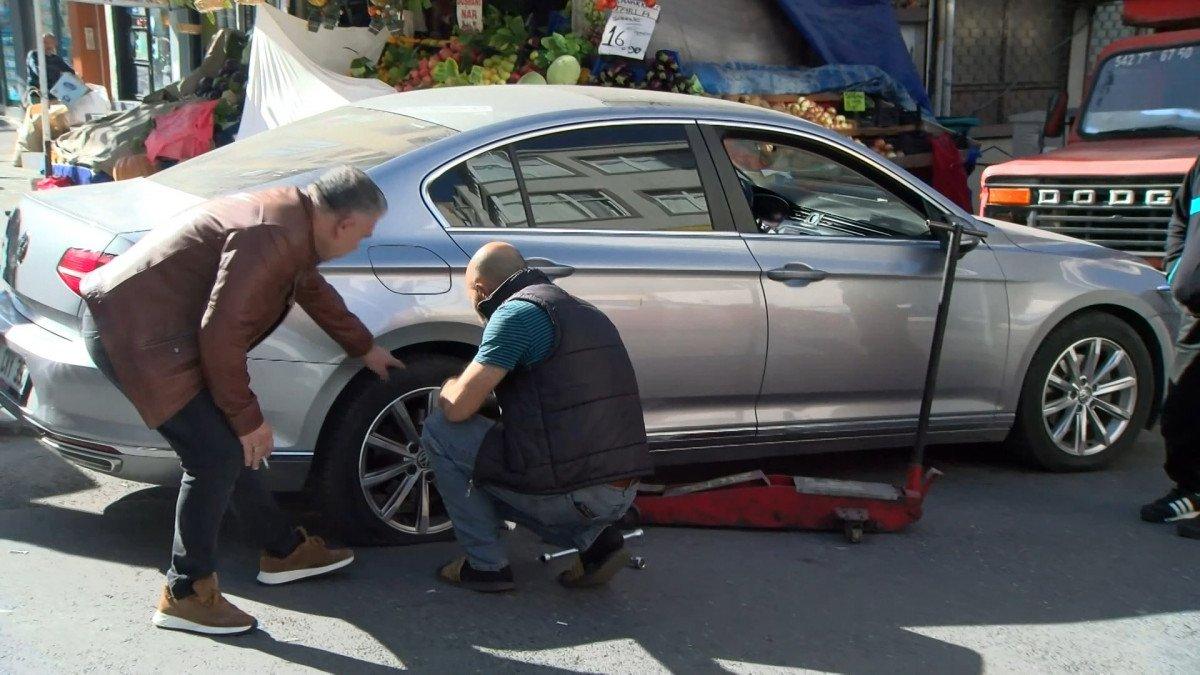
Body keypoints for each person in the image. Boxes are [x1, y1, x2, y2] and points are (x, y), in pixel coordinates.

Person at [79, 166, 405, 635]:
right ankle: (187, 592)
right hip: (136, 336)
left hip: (154, 331)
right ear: (343, 224)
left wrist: (364, 347)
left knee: (232, 450)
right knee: (216, 454)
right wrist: (247, 417)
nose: (360, 244)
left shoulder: (292, 221)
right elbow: (221, 336)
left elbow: (310, 287)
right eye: (364, 234)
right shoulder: (272, 235)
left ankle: (282, 549)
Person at [422, 242, 653, 592]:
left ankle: (486, 565)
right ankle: (597, 543)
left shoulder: (515, 314)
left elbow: (458, 409)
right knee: (508, 450)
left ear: (481, 290)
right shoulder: (585, 311)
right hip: (623, 488)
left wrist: (450, 385)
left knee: (440, 430)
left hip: (575, 494)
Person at [1142, 154, 1200, 538]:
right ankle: (1191, 490)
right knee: (1182, 409)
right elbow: (1181, 218)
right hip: (1197, 312)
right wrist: (1177, 270)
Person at [25, 33, 76, 100]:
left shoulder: (56, 58)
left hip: (53, 94)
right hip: (37, 94)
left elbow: (70, 72)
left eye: (50, 43)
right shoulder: (34, 55)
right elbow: (40, 71)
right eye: (45, 42)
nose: (48, 45)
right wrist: (59, 72)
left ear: (54, 44)